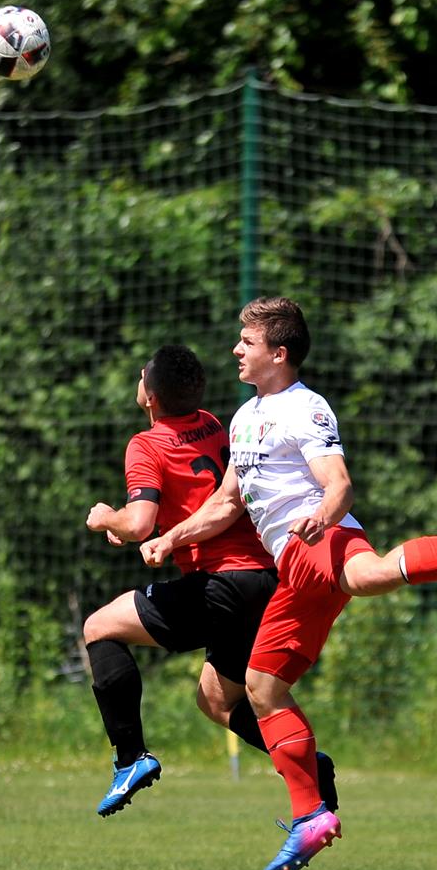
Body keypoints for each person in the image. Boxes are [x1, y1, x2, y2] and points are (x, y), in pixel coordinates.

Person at [141, 296, 437, 870]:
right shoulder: (243, 417)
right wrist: (171, 538)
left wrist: (321, 516)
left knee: (362, 586)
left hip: (319, 539)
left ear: (278, 354)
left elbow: (338, 484)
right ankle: (311, 815)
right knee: (265, 685)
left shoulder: (305, 407)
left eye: (248, 341)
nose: (236, 349)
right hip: (296, 565)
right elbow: (227, 503)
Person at [81, 344, 337, 818]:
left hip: (222, 583)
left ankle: (130, 758)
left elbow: (139, 522)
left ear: (151, 396)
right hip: (265, 578)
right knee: (217, 700)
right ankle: (309, 767)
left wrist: (106, 518)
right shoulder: (214, 424)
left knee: (99, 628)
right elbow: (196, 497)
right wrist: (136, 527)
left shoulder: (145, 443)